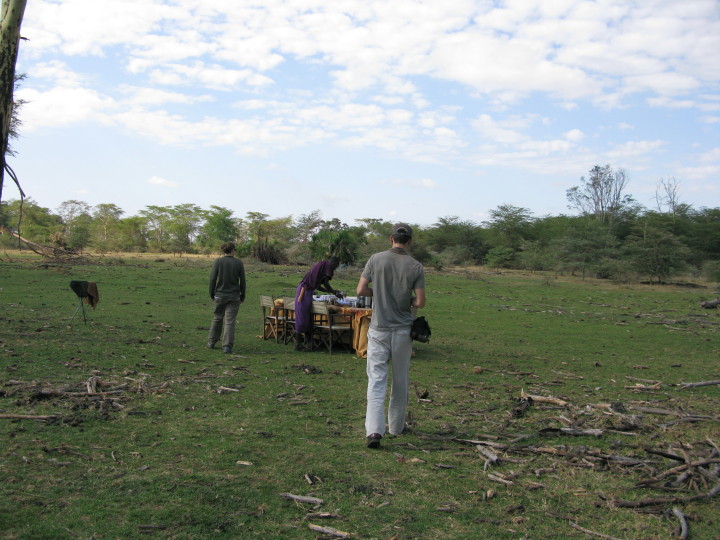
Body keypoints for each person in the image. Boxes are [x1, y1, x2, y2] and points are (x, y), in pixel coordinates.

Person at [356, 223, 425, 449]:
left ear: (391, 238)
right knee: (400, 379)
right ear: (410, 241)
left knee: (376, 380)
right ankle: (396, 427)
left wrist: (379, 293)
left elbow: (361, 290)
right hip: (403, 331)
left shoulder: (375, 259)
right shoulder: (416, 266)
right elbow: (420, 302)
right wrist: (404, 298)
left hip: (379, 329)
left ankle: (374, 431)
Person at [294, 256, 342, 350]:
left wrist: (330, 291)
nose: (336, 268)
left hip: (305, 290)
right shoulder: (328, 265)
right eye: (337, 265)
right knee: (303, 316)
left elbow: (318, 285)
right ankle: (298, 344)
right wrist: (334, 292)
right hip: (304, 292)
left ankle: (309, 344)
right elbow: (326, 283)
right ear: (335, 263)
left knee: (307, 316)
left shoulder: (322, 266)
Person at [208, 242, 246, 354]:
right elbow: (242, 281)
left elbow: (213, 279)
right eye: (235, 249)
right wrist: (242, 295)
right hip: (234, 296)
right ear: (232, 250)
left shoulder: (218, 261)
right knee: (230, 321)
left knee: (217, 318)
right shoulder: (238, 263)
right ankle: (227, 346)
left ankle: (211, 342)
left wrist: (212, 293)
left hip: (220, 295)